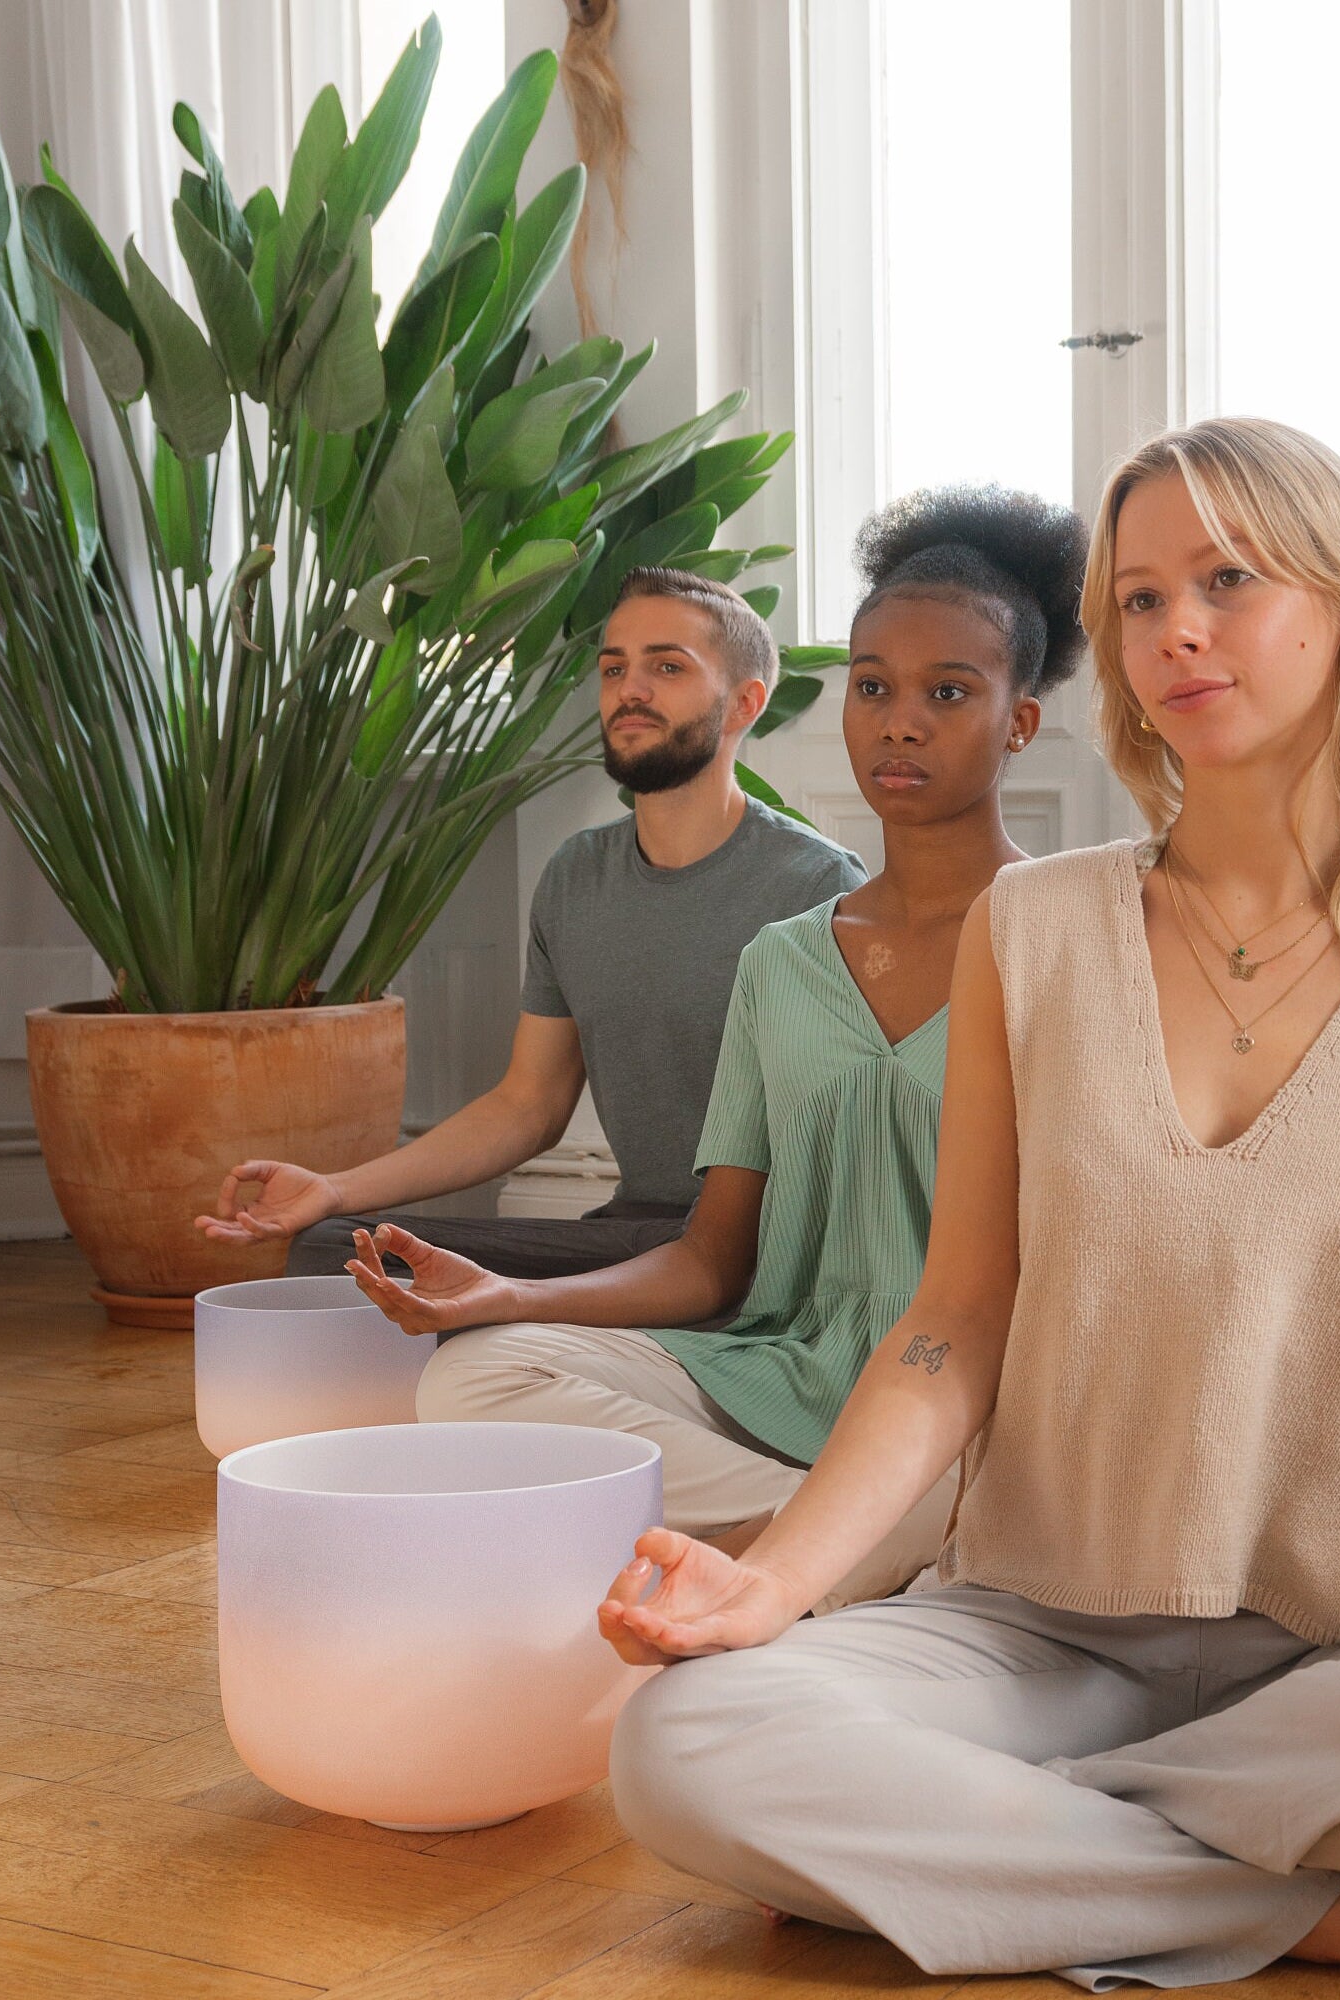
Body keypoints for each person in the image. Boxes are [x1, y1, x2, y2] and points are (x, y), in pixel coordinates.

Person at [593, 420, 1340, 2000]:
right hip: (1031, 1634)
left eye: (1228, 580)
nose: (1177, 627)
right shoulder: (1030, 932)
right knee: (686, 1744)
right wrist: (773, 1581)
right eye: (1138, 596)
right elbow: (947, 1330)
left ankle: (973, 1864)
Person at [345, 488, 1089, 1609]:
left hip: (971, 1398)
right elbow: (710, 1261)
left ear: (1017, 722)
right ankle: (841, 1543)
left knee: (1029, 1480)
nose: (899, 721)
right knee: (476, 1376)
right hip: (777, 1373)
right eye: (872, 686)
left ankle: (810, 1545)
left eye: (948, 692)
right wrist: (504, 1295)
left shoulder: (1075, 939)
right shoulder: (782, 961)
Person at [196, 569, 865, 1281]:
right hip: (632, 1242)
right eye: (615, 668)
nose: (630, 689)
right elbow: (529, 1104)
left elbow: (851, 1142)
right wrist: (334, 1190)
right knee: (336, 1248)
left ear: (744, 704)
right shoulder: (576, 877)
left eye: (667, 666)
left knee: (474, 1316)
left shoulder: (817, 886)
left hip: (764, 1259)